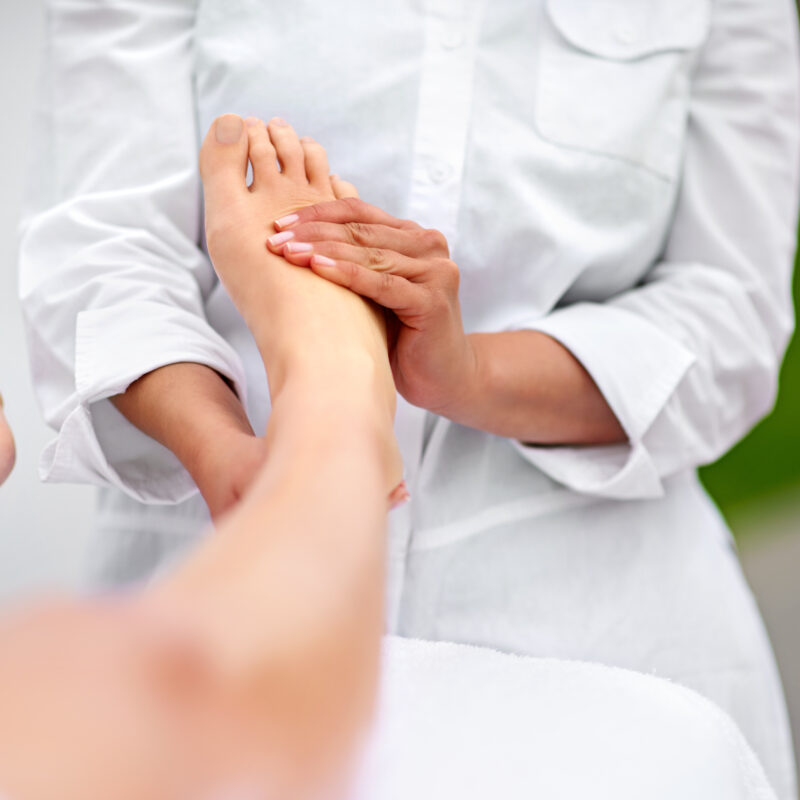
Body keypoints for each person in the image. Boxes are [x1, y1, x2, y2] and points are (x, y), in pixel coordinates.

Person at [18, 2, 799, 797]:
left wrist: (467, 373)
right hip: (214, 525)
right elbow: (104, 250)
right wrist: (224, 449)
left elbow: (729, 315)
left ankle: (331, 403)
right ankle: (335, 408)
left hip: (591, 625)